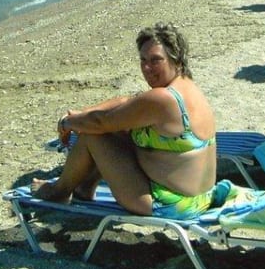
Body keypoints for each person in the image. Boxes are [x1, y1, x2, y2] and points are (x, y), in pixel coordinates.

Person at [32, 23, 235, 219]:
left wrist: (67, 123)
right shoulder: (186, 88)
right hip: (201, 198)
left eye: (156, 60)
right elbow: (127, 102)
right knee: (117, 131)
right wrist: (82, 113)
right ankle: (84, 188)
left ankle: (59, 191)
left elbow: (101, 122)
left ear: (176, 59)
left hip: (171, 204)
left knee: (92, 136)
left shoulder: (162, 99)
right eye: (143, 59)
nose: (147, 67)